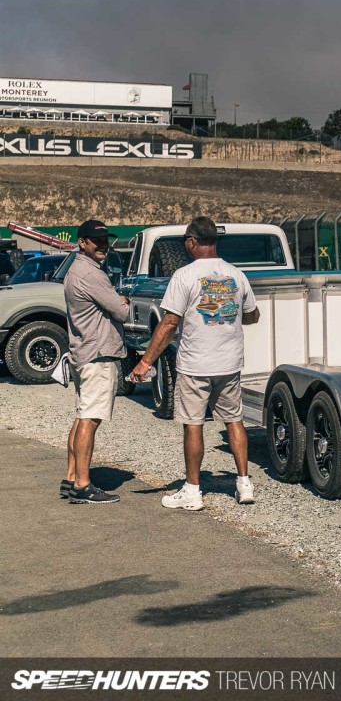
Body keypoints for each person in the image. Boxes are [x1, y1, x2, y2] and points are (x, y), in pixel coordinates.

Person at [130, 217, 260, 510]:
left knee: (193, 425)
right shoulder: (236, 274)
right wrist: (227, 312)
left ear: (191, 241)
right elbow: (253, 315)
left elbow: (170, 323)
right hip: (229, 363)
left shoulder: (184, 275)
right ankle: (244, 483)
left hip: (195, 365)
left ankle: (192, 491)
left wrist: (145, 362)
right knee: (234, 420)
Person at [63, 220, 129, 504]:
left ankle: (70, 478)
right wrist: (122, 300)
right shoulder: (91, 274)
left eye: (105, 240)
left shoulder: (75, 270)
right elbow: (121, 311)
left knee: (82, 416)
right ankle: (82, 485)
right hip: (97, 354)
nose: (103, 245)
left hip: (84, 352)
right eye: (95, 240)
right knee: (91, 419)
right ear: (82, 242)